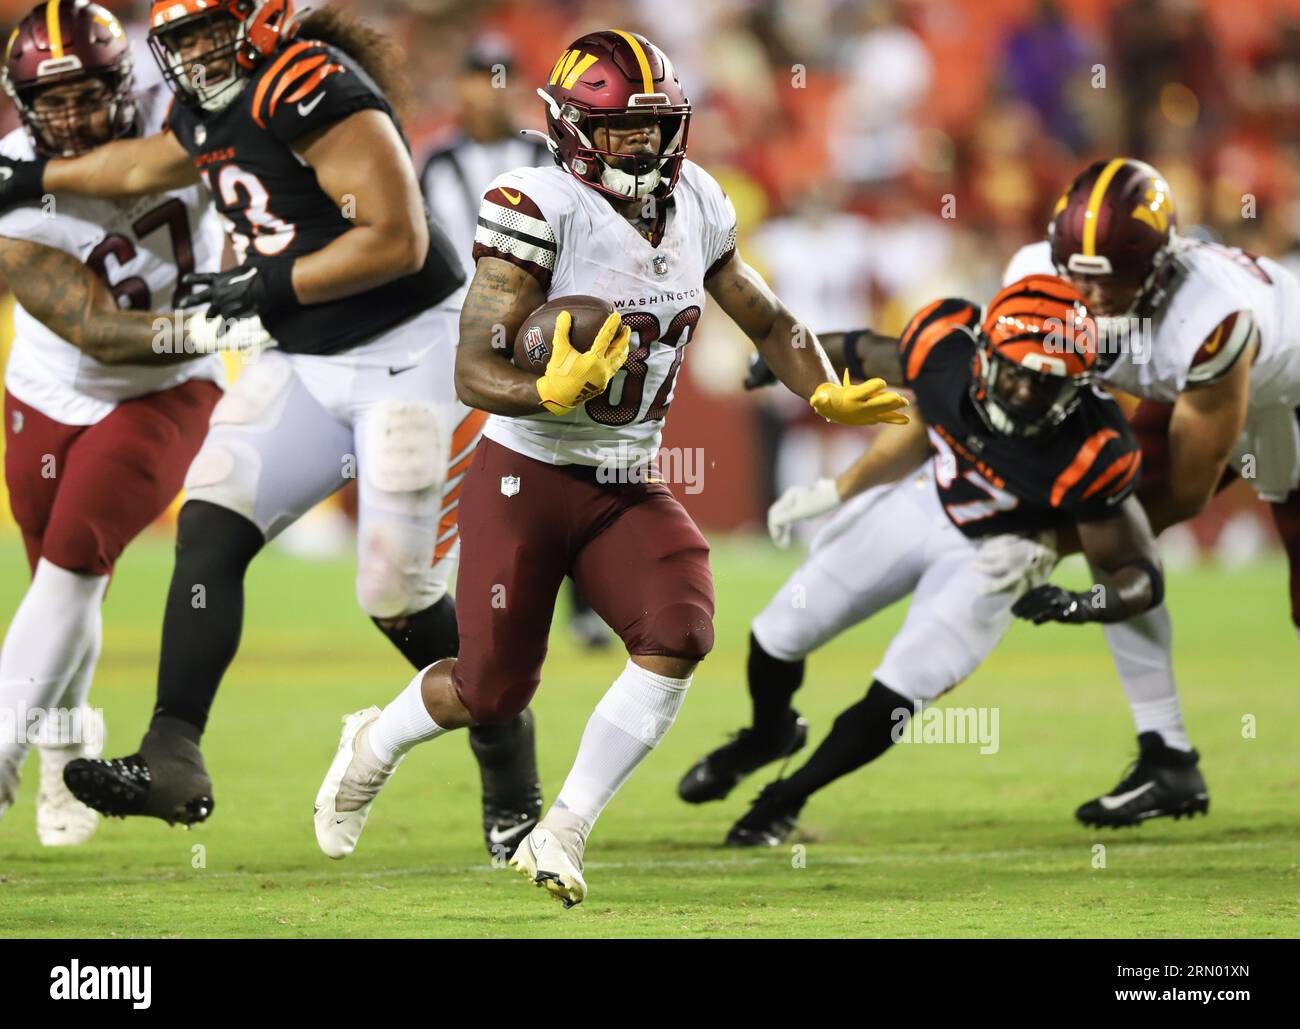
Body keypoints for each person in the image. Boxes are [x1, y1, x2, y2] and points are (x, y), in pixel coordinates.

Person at [311, 29, 909, 908]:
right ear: (572, 127)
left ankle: (565, 828)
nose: (647, 144)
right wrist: (542, 388)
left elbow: (770, 319)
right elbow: (471, 369)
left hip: (625, 473)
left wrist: (825, 392)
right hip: (526, 470)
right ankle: (373, 744)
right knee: (491, 686)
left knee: (681, 629)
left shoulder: (698, 198)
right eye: (626, 127)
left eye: (658, 125)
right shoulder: (537, 205)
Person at [0, 0, 537, 855]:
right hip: (303, 357)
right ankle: (172, 751)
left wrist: (267, 287)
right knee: (211, 526)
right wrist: (33, 181)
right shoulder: (206, 103)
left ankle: (504, 738)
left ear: (260, 22)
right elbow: (147, 166)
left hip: (406, 353)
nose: (197, 54)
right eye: (180, 40)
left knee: (393, 595)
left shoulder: (310, 86)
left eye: (212, 32)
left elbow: (395, 240)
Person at [680, 275, 1183, 845]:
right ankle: (766, 735)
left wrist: (1084, 602)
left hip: (1004, 551)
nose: (1022, 391)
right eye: (1015, 371)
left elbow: (1140, 576)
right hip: (928, 499)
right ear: (986, 354)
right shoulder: (947, 350)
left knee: (901, 686)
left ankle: (785, 798)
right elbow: (861, 348)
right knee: (778, 633)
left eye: (1045, 382)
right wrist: (785, 360)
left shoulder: (1095, 448)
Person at [0, 0, 254, 844]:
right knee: (56, 578)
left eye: (86, 96)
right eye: (51, 102)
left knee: (74, 558)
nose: (69, 118)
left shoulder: (174, 122)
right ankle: (67, 742)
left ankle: (2, 748)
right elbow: (99, 327)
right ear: (20, 101)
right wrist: (224, 322)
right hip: (49, 385)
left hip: (167, 387)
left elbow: (167, 165)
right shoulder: (7, 177)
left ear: (122, 86)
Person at [998, 158, 1300, 824]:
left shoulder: (1210, 319)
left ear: (1162, 265)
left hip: (1285, 394)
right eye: (1077, 276)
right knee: (1104, 514)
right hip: (1193, 390)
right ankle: (1167, 757)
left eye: (1114, 281)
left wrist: (1052, 541)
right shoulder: (1035, 281)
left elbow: (1184, 498)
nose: (1092, 297)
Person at [419, 37, 610, 652]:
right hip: (462, 326)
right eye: (478, 78)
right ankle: (462, 596)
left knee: (571, 456)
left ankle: (582, 604)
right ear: (462, 87)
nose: (488, 91)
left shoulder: (548, 153)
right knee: (476, 467)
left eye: (499, 78)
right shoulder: (436, 160)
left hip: (544, 326)